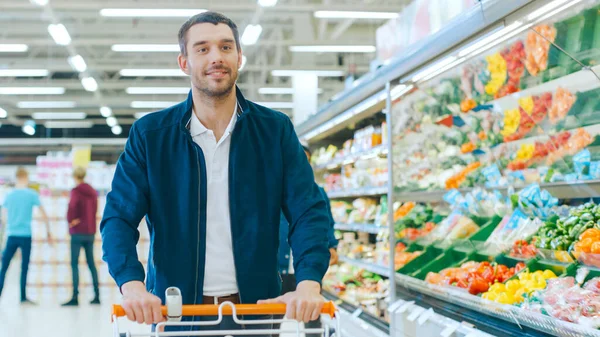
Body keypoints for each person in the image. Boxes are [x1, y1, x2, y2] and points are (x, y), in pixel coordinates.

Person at [100, 11, 331, 335]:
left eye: (225, 47)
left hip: (257, 311)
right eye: (202, 48)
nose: (216, 57)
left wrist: (309, 281)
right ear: (184, 62)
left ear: (240, 57)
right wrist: (131, 284)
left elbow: (308, 211)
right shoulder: (151, 136)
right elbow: (118, 218)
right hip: (177, 311)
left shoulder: (274, 131)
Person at [278, 145, 339, 335]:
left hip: (305, 269)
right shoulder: (271, 192)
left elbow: (323, 223)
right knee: (271, 318)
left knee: (312, 318)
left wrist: (330, 246)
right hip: (276, 268)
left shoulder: (317, 193)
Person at [0, 167, 51, 304]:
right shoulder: (31, 194)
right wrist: (48, 232)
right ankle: (23, 297)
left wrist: (7, 228)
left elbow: (3, 216)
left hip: (11, 235)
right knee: (24, 267)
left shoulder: (9, 195)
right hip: (26, 235)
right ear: (25, 178)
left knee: (4, 266)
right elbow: (44, 214)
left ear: (17, 178)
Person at [62, 167, 100, 306]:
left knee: (74, 264)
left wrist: (70, 220)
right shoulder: (93, 192)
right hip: (90, 231)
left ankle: (75, 297)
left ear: (75, 177)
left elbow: (72, 207)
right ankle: (97, 295)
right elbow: (95, 209)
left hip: (77, 231)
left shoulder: (76, 191)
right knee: (91, 264)